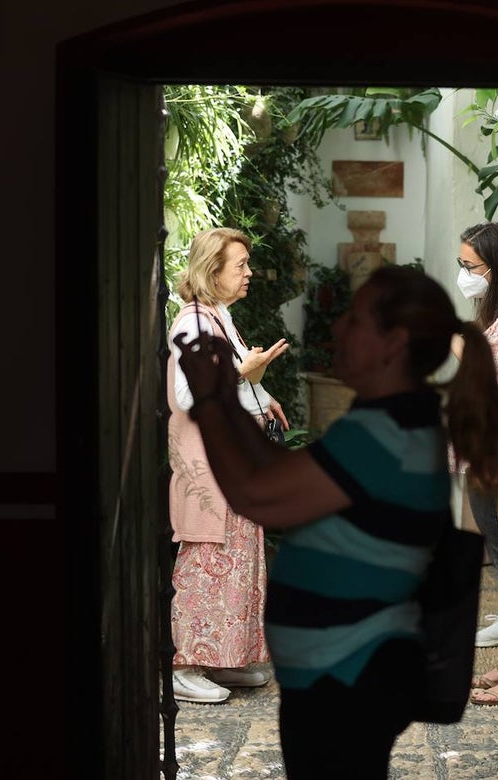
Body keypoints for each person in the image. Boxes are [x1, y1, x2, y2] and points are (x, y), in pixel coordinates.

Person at [174, 265, 498, 778]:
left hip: (352, 663)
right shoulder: (394, 415)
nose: (336, 331)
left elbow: (262, 495)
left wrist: (214, 399)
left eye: (354, 322)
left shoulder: (386, 428)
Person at [166, 227, 291, 704]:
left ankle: (220, 658)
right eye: (240, 265)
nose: (248, 273)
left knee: (236, 561)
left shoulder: (219, 317)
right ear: (210, 271)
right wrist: (243, 372)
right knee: (205, 561)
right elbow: (184, 396)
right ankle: (184, 665)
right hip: (209, 468)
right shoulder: (191, 323)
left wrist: (262, 391)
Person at [452, 221, 498, 706]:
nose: (464, 275)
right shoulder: (491, 308)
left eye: (471, 266)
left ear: (496, 267)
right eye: (461, 265)